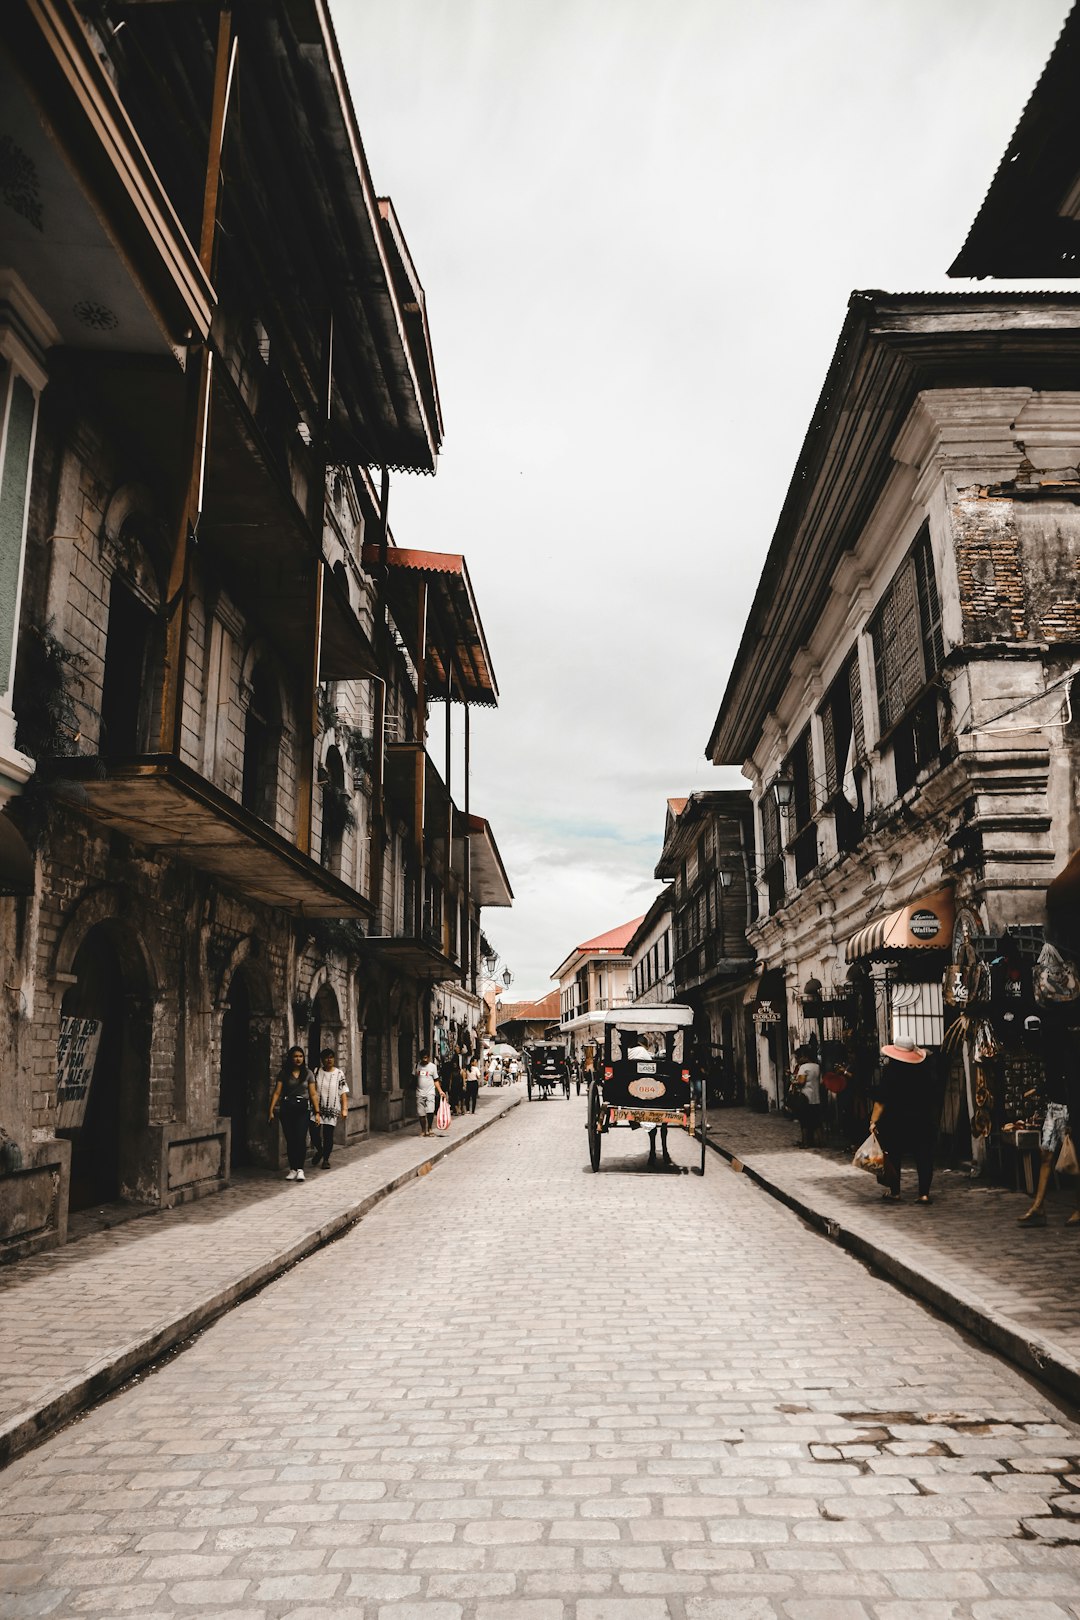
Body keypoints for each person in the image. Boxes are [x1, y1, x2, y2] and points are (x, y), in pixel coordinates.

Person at [1017, 1007, 1080, 1228]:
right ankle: (1039, 1206)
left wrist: (1072, 1115)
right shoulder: (1054, 1051)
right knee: (1046, 1154)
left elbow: (1070, 1082)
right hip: (1055, 1107)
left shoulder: (1065, 1052)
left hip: (1066, 1108)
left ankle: (1077, 1207)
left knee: (1070, 1157)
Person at [870, 1038, 939, 1204]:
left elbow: (881, 1101)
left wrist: (873, 1121)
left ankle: (895, 1192)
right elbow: (933, 1096)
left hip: (895, 1120)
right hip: (922, 1119)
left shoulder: (891, 1072)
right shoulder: (924, 1071)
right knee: (923, 1156)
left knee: (894, 1156)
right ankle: (924, 1194)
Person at [269, 1046, 321, 1182]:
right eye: (295, 1056)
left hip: (302, 1109)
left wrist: (317, 1112)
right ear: (291, 1058)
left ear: (303, 1058)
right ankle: (292, 1169)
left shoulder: (308, 1073)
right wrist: (271, 1110)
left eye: (300, 1056)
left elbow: (313, 1094)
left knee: (300, 1137)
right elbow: (277, 1092)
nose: (298, 1059)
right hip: (287, 1109)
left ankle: (300, 1169)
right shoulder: (284, 1073)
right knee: (290, 1139)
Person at [628, 1034, 671, 1167]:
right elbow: (651, 1065)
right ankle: (663, 1150)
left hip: (632, 1092)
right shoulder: (643, 1052)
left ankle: (653, 1151)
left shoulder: (628, 1052)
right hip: (651, 1088)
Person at [310, 1047, 348, 1168]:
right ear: (322, 1060)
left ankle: (326, 1159)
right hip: (317, 1108)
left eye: (331, 1057)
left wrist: (344, 1109)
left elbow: (343, 1092)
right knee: (314, 1133)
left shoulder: (339, 1074)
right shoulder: (317, 1071)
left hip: (331, 1109)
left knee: (328, 1135)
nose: (329, 1060)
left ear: (334, 1059)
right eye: (326, 1057)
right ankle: (320, 1150)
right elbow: (313, 1090)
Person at [789, 1045, 823, 1148]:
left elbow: (801, 1082)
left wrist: (793, 1080)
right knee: (816, 1121)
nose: (798, 1060)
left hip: (805, 1097)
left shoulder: (803, 1067)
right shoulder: (817, 1066)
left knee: (804, 1121)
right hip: (816, 1097)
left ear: (804, 1056)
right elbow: (820, 1081)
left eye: (798, 1057)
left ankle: (805, 1142)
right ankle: (819, 1141)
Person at [416, 1050, 441, 1137]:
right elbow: (413, 1078)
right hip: (419, 1093)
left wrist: (440, 1091)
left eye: (426, 1057)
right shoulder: (417, 1066)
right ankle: (423, 1130)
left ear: (429, 1057)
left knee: (430, 1111)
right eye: (423, 1058)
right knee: (421, 1113)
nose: (425, 1059)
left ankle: (430, 1128)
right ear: (420, 1058)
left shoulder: (432, 1067)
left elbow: (436, 1080)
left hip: (430, 1092)